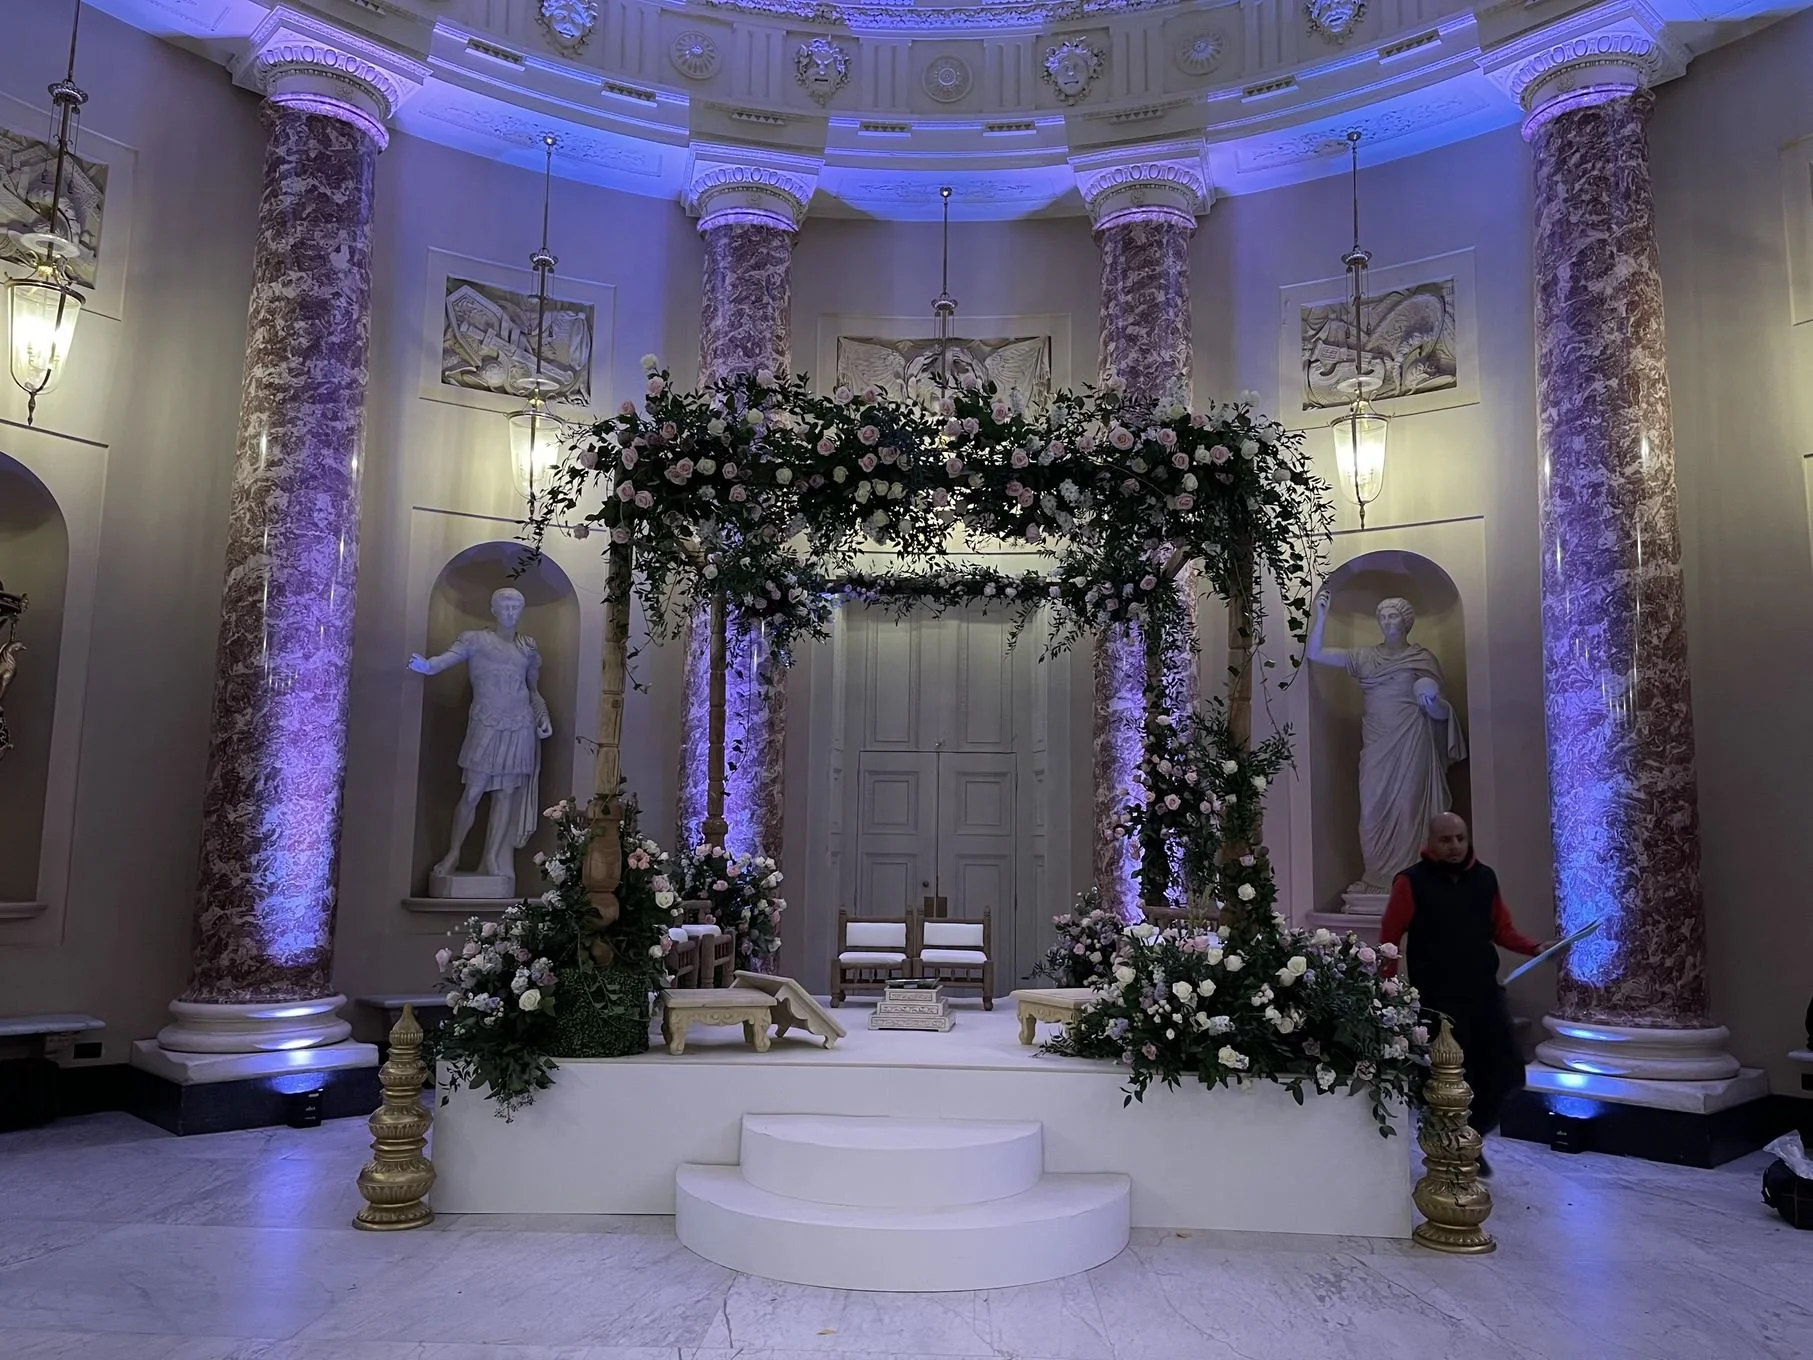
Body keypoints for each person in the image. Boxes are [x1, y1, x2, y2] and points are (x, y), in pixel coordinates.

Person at [1379, 812, 1552, 1174]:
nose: (1454, 846)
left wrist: (1535, 948)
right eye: (1446, 840)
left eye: (1459, 838)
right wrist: (1389, 991)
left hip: (1484, 994)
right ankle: (1448, 1151)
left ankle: (1469, 1138)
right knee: (1448, 1081)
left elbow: (1502, 930)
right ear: (1431, 843)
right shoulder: (1410, 883)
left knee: (1506, 1074)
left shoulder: (1484, 878)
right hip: (1438, 1002)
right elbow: (1390, 941)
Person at [1306, 591, 1467, 897]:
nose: (1387, 621)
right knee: (1371, 810)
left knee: (1408, 809)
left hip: (1412, 741)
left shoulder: (1422, 659)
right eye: (1382, 616)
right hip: (1377, 743)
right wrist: (1322, 617)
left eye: (1393, 615)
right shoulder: (1365, 656)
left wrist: (1429, 699)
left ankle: (1409, 878)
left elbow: (1440, 712)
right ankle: (1376, 876)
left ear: (1407, 622)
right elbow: (1316, 654)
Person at [409, 587, 553, 883]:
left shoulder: (527, 648)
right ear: (494, 610)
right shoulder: (475, 640)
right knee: (473, 792)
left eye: (516, 607)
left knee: (506, 795)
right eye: (506, 607)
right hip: (486, 722)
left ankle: (491, 857)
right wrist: (427, 666)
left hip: (519, 725)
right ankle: (454, 853)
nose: (511, 613)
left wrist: (543, 716)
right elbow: (447, 658)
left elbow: (533, 691)